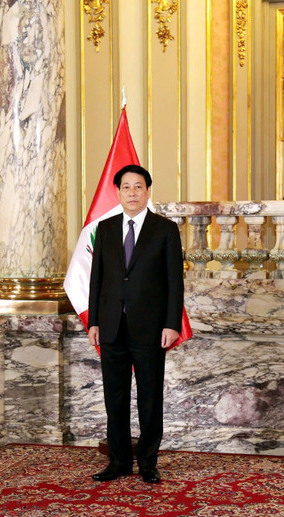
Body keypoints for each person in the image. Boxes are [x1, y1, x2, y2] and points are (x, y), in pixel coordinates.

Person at [88, 164, 184, 484]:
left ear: (147, 191)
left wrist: (172, 324)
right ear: (118, 192)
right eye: (126, 187)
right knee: (114, 397)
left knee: (149, 397)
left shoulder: (165, 229)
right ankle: (118, 462)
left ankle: (147, 462)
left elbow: (174, 283)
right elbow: (97, 280)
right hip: (112, 326)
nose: (132, 192)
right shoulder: (105, 228)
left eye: (138, 187)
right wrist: (94, 321)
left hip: (151, 329)